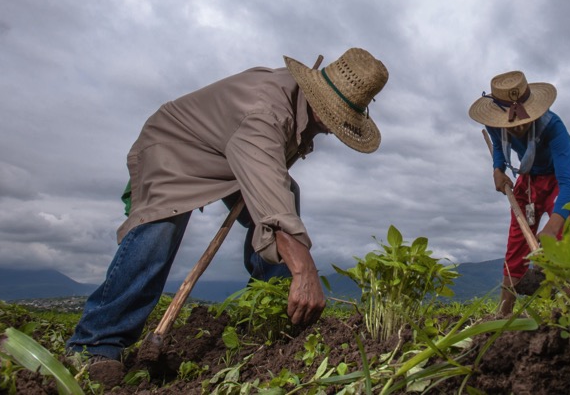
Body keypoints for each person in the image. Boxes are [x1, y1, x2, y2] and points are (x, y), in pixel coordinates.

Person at [66, 47, 388, 379]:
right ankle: (98, 344)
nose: (335, 130)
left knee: (287, 194)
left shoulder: (295, 109)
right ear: (321, 106)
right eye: (335, 121)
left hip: (226, 152)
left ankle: (272, 316)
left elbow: (272, 184)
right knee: (160, 227)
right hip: (173, 147)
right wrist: (304, 270)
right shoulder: (267, 111)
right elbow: (271, 196)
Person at [468, 70, 570, 317]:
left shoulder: (553, 128)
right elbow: (499, 145)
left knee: (564, 236)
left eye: (522, 123)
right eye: (512, 124)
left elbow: (568, 185)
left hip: (559, 177)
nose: (517, 129)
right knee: (517, 238)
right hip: (529, 176)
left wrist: (553, 225)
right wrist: (498, 169)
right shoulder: (495, 123)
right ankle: (504, 311)